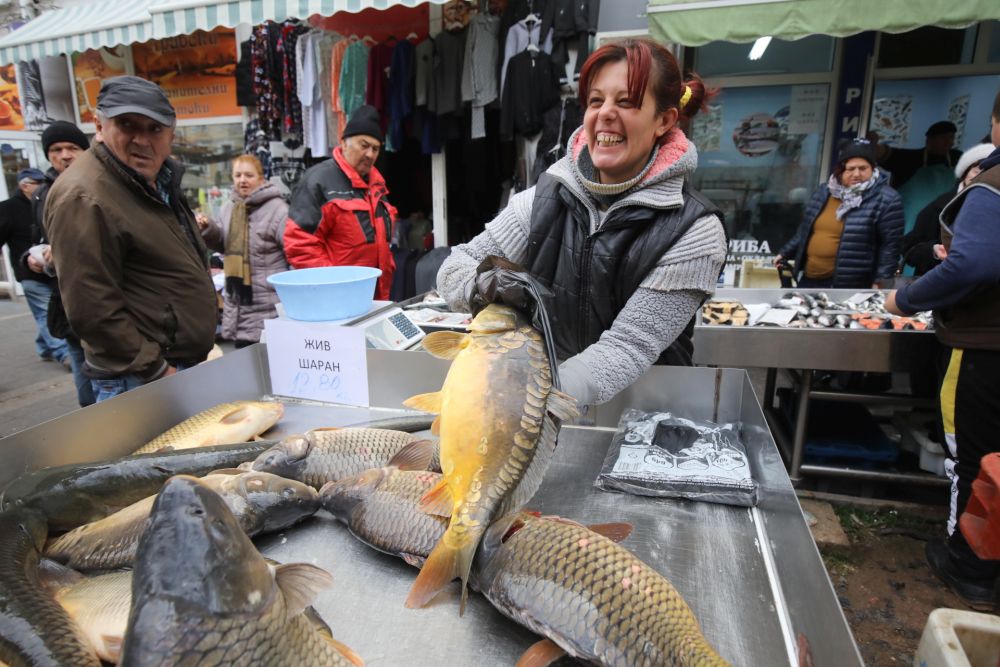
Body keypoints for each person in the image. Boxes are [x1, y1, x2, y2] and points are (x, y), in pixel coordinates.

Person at [436, 38, 727, 406]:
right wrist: (485, 289)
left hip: (648, 417)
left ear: (664, 120)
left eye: (626, 101)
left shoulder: (694, 231)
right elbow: (453, 268)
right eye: (595, 100)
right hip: (546, 407)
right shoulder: (542, 201)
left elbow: (627, 347)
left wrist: (523, 404)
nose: (605, 113)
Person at [886, 93, 1000, 611]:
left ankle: (967, 562)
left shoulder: (991, 187)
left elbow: (970, 265)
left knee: (972, 457)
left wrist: (904, 297)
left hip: (982, 347)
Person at [44, 76, 217, 402]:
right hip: (142, 377)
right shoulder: (84, 195)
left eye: (154, 128)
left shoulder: (154, 176)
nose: (142, 139)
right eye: (127, 125)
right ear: (99, 125)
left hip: (168, 366)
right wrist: (156, 370)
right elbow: (92, 308)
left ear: (171, 133)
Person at [284, 104, 397, 301]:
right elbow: (299, 244)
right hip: (335, 299)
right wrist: (333, 286)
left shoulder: (378, 185)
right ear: (344, 143)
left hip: (375, 296)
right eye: (364, 145)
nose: (370, 154)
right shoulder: (319, 180)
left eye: (376, 148)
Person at [774, 139, 903, 289]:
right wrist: (784, 253)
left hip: (851, 284)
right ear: (841, 170)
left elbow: (891, 246)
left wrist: (880, 281)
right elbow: (805, 231)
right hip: (810, 279)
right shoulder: (824, 191)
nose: (856, 174)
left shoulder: (887, 199)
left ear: (873, 169)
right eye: (851, 168)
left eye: (863, 168)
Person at [28, 120, 95, 406]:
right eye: (56, 149)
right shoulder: (42, 194)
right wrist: (30, 258)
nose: (65, 155)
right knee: (83, 379)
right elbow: (36, 237)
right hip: (65, 301)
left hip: (99, 298)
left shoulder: (98, 186)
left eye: (72, 148)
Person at [196, 155, 289, 347]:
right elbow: (224, 243)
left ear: (261, 179)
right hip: (238, 304)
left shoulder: (278, 210)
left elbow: (293, 254)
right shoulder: (230, 208)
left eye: (249, 175)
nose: (242, 180)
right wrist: (208, 228)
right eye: (237, 175)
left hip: (269, 306)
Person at [0, 167, 70, 368]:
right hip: (30, 275)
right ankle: (62, 353)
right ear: (25, 186)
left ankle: (44, 347)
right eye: (37, 183)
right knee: (44, 312)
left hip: (53, 273)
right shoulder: (8, 208)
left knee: (50, 312)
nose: (42, 186)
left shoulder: (47, 201)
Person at [901, 142, 994, 275]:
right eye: (977, 169)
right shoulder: (939, 207)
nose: (981, 176)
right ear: (965, 172)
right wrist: (934, 250)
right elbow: (909, 248)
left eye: (990, 171)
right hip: (936, 283)